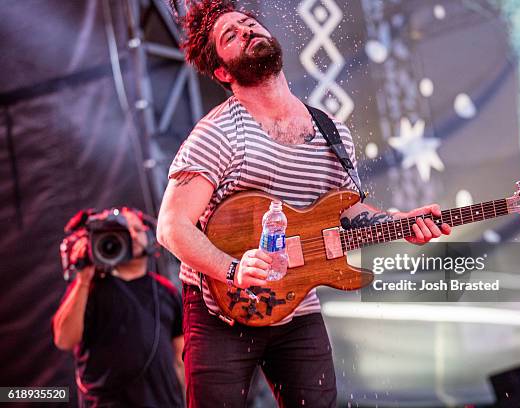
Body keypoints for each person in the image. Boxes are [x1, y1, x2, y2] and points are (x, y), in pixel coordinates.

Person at [156, 1, 451, 406]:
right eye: (231, 35)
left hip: (297, 307)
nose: (246, 31)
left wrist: (398, 222)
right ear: (223, 72)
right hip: (218, 311)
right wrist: (234, 269)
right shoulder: (217, 134)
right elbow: (172, 227)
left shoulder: (331, 132)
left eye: (248, 24)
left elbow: (346, 211)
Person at [52, 207, 185, 407]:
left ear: (149, 236)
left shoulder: (167, 292)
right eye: (123, 230)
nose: (131, 235)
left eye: (136, 229)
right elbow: (63, 339)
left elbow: (180, 358)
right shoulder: (91, 288)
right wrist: (83, 280)